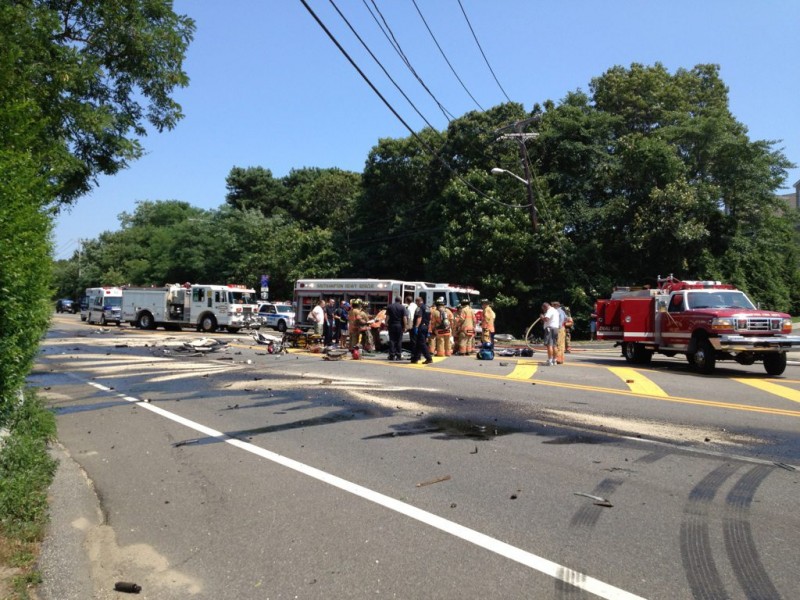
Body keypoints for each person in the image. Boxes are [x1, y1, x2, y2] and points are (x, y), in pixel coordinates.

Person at [410, 296, 433, 364]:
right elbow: (430, 319)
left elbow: (419, 317)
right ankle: (415, 359)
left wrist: (416, 326)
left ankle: (428, 358)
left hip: (421, 327)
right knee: (418, 344)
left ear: (417, 301)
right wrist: (428, 328)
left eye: (416, 302)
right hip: (426, 326)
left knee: (422, 343)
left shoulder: (419, 308)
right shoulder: (428, 308)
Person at [385, 296, 407, 361]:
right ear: (400, 300)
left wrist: (386, 324)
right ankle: (398, 355)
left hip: (391, 325)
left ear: (395, 300)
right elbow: (404, 318)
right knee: (399, 340)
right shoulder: (402, 307)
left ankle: (391, 355)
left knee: (392, 340)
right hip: (399, 325)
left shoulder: (389, 307)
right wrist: (405, 326)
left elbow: (387, 317)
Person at [541, 302, 559, 366]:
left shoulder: (549, 311)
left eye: (543, 309)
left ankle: (550, 360)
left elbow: (546, 319)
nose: (544, 310)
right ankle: (555, 360)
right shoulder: (555, 311)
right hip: (556, 328)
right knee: (554, 345)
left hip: (549, 329)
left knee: (549, 345)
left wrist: (542, 317)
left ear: (545, 307)